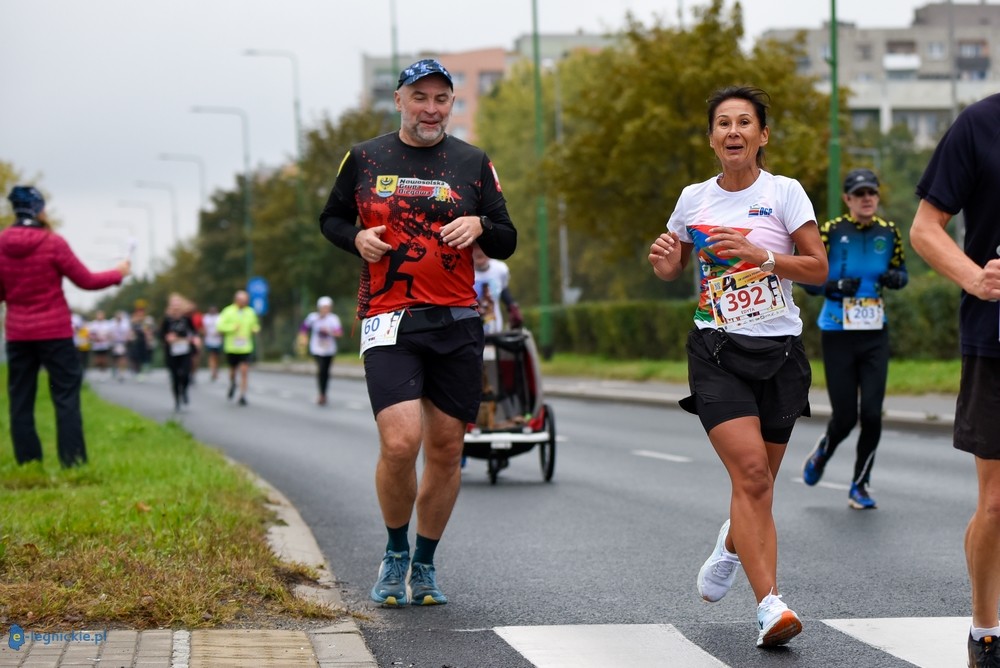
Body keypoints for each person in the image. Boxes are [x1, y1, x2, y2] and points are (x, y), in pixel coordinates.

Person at [319, 58, 516, 607]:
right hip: (390, 318)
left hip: (457, 320)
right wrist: (356, 239)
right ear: (400, 100)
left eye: (441, 99)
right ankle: (394, 551)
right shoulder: (364, 157)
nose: (431, 109)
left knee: (447, 450)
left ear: (451, 104)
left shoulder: (473, 162)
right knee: (401, 442)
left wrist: (481, 224)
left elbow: (506, 238)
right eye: (420, 97)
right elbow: (331, 219)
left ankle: (425, 564)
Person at [647, 86, 827, 648]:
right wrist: (666, 264)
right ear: (711, 138)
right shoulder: (693, 198)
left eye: (744, 122)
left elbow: (818, 269)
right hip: (717, 352)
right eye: (722, 123)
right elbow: (673, 264)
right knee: (751, 476)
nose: (733, 131)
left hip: (781, 355)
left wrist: (762, 257)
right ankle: (771, 607)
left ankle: (732, 543)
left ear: (761, 135)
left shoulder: (784, 192)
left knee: (759, 488)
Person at [909, 92, 1000, 668]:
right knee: (997, 503)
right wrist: (975, 278)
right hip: (996, 338)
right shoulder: (981, 124)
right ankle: (986, 632)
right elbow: (925, 228)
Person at [800, 168, 909, 510]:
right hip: (837, 333)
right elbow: (807, 278)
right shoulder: (831, 231)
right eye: (859, 194)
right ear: (847, 199)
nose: (867, 199)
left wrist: (896, 278)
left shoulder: (889, 232)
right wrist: (833, 286)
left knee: (873, 414)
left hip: (875, 333)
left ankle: (860, 485)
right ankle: (824, 451)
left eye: (871, 193)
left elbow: (901, 271)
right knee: (846, 417)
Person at [0, 185, 129, 467]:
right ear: (39, 210)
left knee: (20, 398)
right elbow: (86, 281)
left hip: (18, 334)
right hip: (54, 333)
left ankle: (28, 462)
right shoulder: (52, 243)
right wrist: (117, 273)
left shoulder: (1, 244)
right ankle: (72, 461)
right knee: (65, 396)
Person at [216, 289, 260, 406]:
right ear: (236, 300)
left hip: (246, 347)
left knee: (244, 371)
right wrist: (232, 328)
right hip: (232, 347)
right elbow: (220, 327)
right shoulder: (227, 311)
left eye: (246, 300)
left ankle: (243, 395)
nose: (244, 302)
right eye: (242, 300)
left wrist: (255, 329)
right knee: (233, 370)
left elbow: (255, 324)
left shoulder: (250, 312)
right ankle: (232, 383)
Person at [159, 293, 200, 412]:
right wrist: (167, 338)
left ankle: (184, 391)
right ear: (170, 306)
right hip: (172, 352)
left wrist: (195, 339)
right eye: (174, 304)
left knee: (186, 373)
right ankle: (177, 399)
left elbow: (194, 332)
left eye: (178, 304)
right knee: (175, 376)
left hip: (185, 349)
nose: (176, 307)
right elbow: (160, 334)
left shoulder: (186, 319)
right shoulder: (167, 320)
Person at [299, 296, 343, 406]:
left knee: (326, 372)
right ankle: (321, 395)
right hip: (316, 349)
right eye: (324, 307)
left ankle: (323, 393)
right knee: (321, 369)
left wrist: (329, 332)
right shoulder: (312, 317)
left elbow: (339, 334)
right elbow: (303, 328)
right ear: (319, 307)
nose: (326, 310)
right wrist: (303, 338)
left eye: (328, 307)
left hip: (329, 349)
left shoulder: (333, 319)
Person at [472, 244, 523, 333]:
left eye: (482, 247)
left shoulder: (500, 269)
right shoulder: (462, 271)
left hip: (495, 330)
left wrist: (512, 306)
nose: (479, 252)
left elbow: (502, 289)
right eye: (475, 248)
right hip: (471, 332)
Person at [200, 305, 223, 382]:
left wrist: (220, 332)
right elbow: (203, 328)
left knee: (216, 356)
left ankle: (216, 369)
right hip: (209, 340)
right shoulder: (206, 318)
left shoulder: (219, 317)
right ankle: (213, 371)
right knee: (211, 355)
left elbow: (222, 328)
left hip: (218, 340)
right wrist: (204, 333)